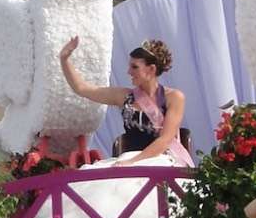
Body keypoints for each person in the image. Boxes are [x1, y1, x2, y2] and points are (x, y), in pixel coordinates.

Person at [59, 36, 192, 167]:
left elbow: (165, 140)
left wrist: (132, 162)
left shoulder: (174, 97)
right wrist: (64, 59)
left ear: (151, 69)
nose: (128, 72)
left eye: (134, 67)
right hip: (128, 159)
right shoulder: (124, 96)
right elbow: (82, 89)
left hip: (159, 160)